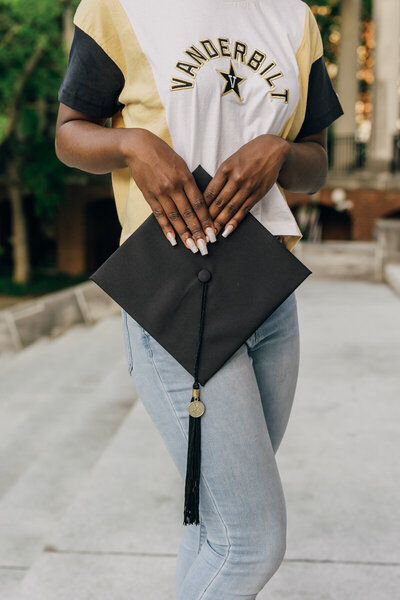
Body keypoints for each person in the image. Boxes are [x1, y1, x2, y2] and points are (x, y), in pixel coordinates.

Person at [55, 0, 344, 597]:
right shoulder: (119, 7)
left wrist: (282, 153)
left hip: (267, 294)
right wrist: (134, 145)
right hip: (175, 292)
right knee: (249, 541)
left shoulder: (293, 17)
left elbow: (317, 159)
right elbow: (69, 132)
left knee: (219, 526)